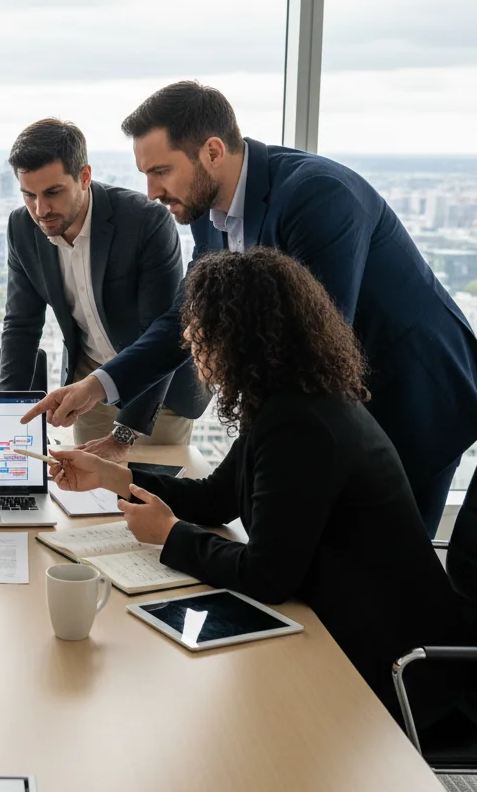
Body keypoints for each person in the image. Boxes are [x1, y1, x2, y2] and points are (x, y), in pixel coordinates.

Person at [50, 248, 477, 731]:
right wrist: (111, 477)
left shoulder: (303, 423)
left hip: (388, 667)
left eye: (202, 326)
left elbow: (269, 577)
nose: (189, 338)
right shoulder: (286, 400)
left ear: (241, 336)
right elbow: (216, 498)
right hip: (339, 626)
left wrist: (170, 535)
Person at [24, 81, 477, 533]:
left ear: (213, 152)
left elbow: (311, 351)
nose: (151, 191)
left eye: (160, 170)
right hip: (334, 404)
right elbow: (187, 318)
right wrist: (98, 386)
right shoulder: (207, 213)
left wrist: (243, 469)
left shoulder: (316, 196)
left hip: (413, 396)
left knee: (387, 567)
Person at [0, 118, 207, 450]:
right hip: (89, 377)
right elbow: (21, 326)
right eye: (29, 195)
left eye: (53, 192)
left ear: (84, 177)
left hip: (157, 386)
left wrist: (123, 436)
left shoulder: (144, 222)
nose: (41, 210)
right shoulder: (22, 227)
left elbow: (160, 332)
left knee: (145, 490)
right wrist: (6, 416)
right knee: (89, 494)